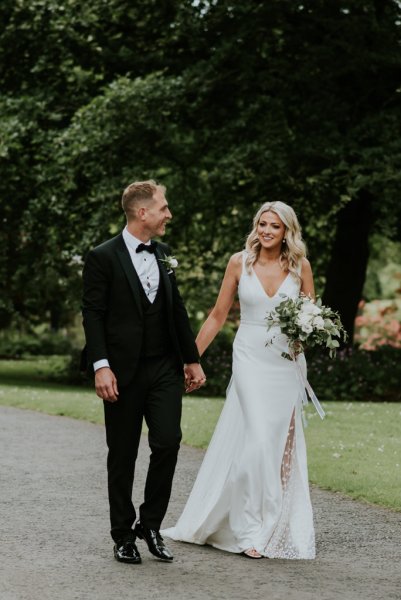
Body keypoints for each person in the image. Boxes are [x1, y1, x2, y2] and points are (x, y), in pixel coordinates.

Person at [163, 201, 316, 559]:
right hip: (248, 356)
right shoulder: (239, 262)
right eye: (262, 224)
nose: (266, 231)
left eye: (274, 226)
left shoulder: (299, 266)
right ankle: (249, 529)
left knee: (279, 446)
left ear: (286, 232)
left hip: (286, 363)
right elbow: (217, 317)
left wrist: (304, 336)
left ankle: (273, 521)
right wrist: (190, 358)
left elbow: (311, 316)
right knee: (260, 440)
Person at [82, 180, 206, 565]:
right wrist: (101, 366)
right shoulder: (102, 256)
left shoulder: (164, 253)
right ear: (143, 212)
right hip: (122, 371)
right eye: (163, 208)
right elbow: (94, 314)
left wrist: (192, 358)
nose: (168, 214)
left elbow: (177, 310)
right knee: (122, 454)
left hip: (165, 368)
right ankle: (122, 534)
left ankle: (150, 524)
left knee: (168, 442)